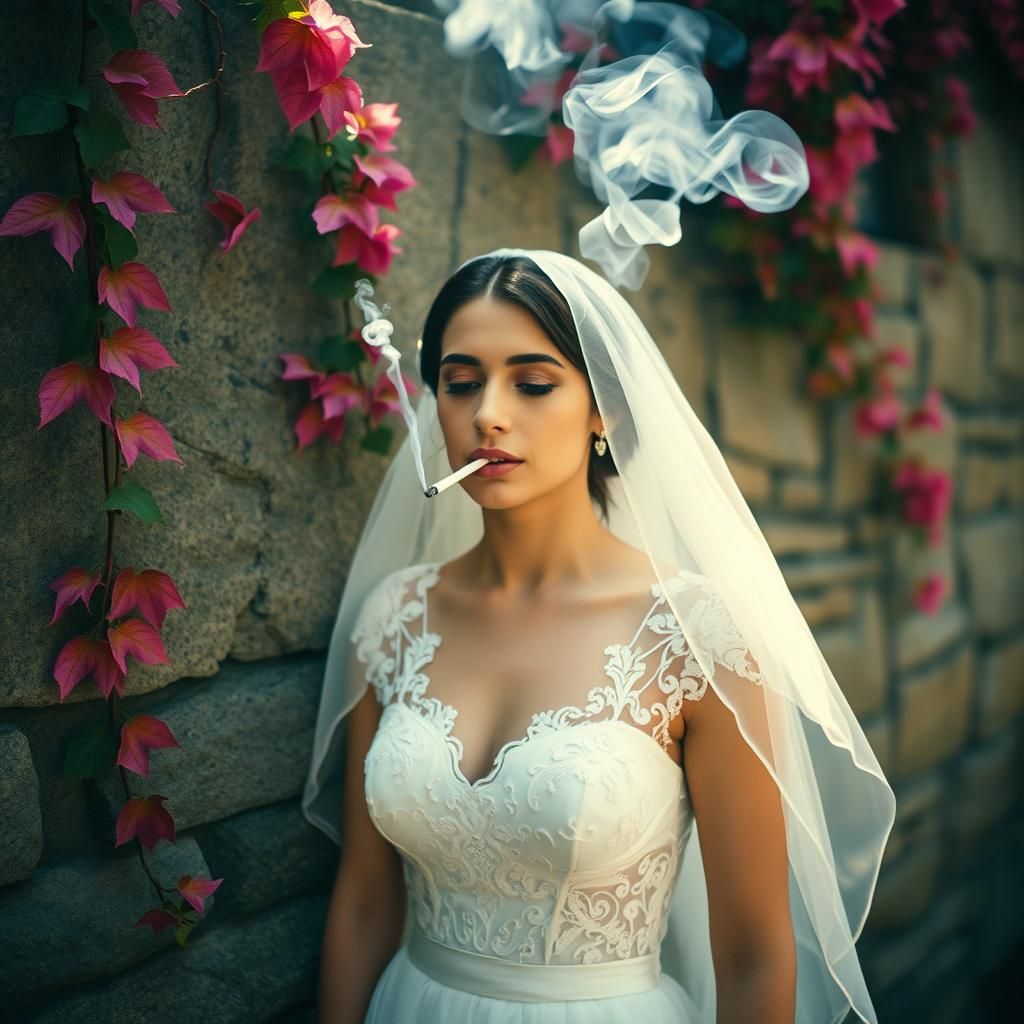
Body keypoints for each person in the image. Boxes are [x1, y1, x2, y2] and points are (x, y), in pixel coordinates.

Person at [302, 248, 896, 1024]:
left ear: (603, 411)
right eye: (461, 382)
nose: (488, 413)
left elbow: (754, 952)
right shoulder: (392, 618)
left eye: (533, 382)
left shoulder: (696, 637)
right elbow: (363, 903)